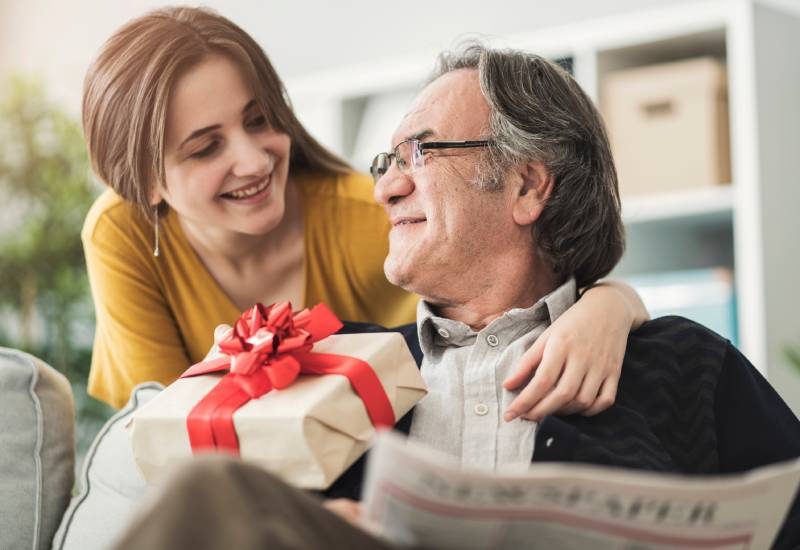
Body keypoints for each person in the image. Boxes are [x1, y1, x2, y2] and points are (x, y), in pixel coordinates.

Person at [112, 42, 800, 550]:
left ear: (528, 187)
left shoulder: (685, 366)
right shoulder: (334, 366)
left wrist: (613, 301)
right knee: (208, 494)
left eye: (421, 153)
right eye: (386, 162)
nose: (384, 187)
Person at [81, 6, 648, 416]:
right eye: (206, 147)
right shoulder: (122, 233)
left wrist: (610, 304)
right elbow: (156, 428)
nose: (253, 161)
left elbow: (523, 281)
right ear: (147, 181)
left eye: (258, 120)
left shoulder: (371, 213)